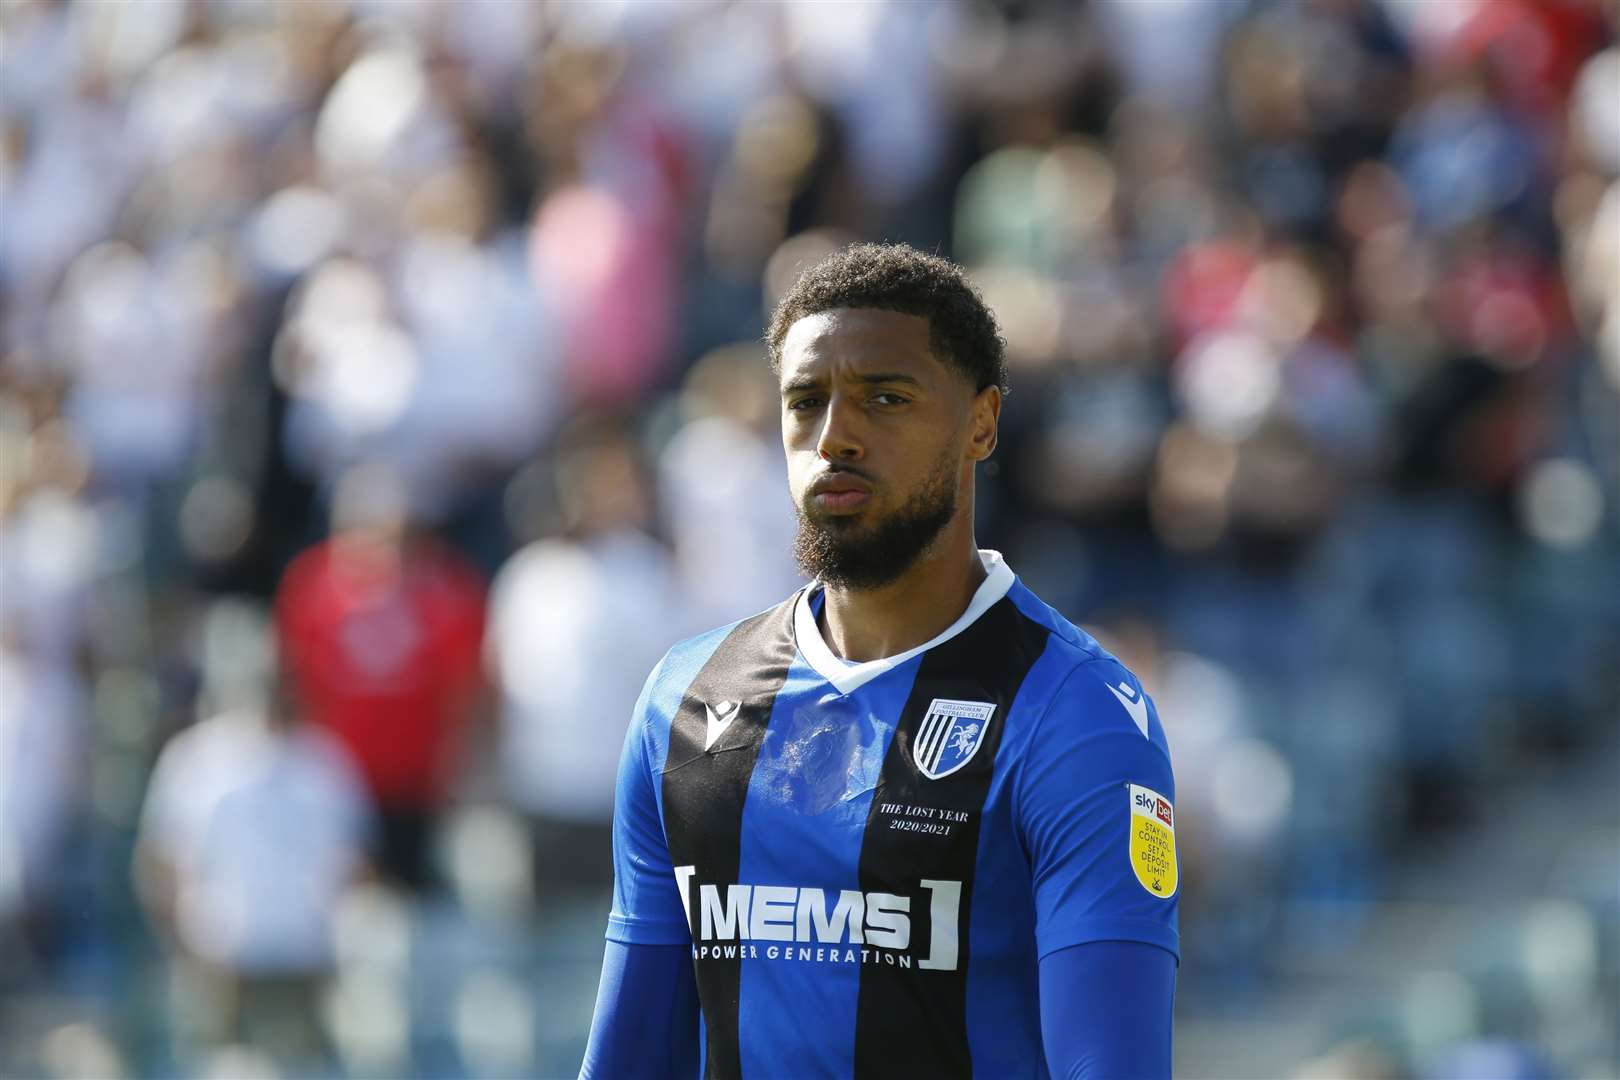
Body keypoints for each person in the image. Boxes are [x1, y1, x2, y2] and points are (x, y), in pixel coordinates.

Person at [580, 244, 1179, 1079]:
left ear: (981, 422)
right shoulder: (684, 698)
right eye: (805, 402)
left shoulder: (1077, 717)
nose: (835, 437)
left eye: (885, 399)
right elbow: (631, 1056)